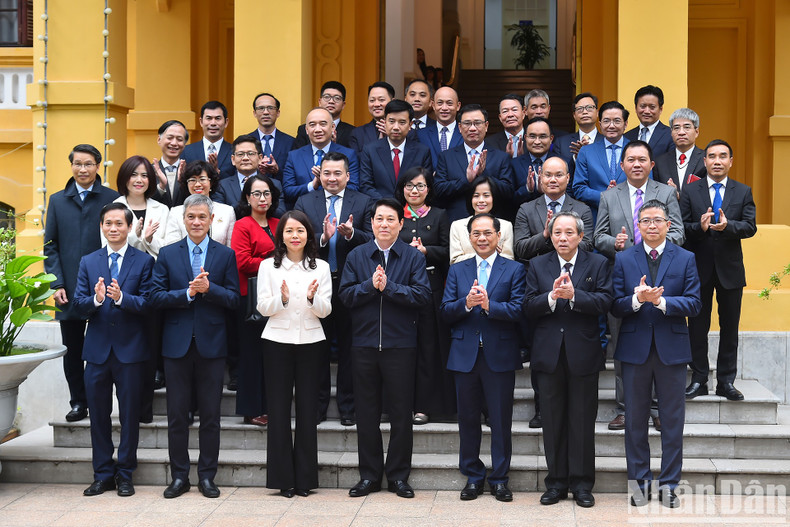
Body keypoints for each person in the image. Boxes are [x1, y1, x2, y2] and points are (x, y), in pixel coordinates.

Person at [339, 198, 432, 499]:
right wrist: (370, 286)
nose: (384, 224)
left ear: (401, 223)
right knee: (366, 414)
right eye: (379, 219)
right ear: (372, 223)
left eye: (391, 219)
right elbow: (346, 296)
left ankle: (398, 476)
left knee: (401, 414)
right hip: (364, 345)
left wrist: (388, 287)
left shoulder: (412, 257)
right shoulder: (357, 255)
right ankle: (369, 476)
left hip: (400, 345)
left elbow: (422, 296)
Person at [611, 199, 701, 508]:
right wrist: (637, 299)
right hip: (635, 350)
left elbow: (695, 303)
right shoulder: (624, 259)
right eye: (646, 220)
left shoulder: (686, 258)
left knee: (672, 421)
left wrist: (662, 303)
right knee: (635, 421)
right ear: (638, 225)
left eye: (657, 220)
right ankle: (639, 485)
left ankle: (669, 486)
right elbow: (614, 304)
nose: (651, 225)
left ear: (668, 225)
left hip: (671, 350)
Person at [150, 194, 240, 499]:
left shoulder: (225, 255)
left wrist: (209, 289)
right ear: (183, 219)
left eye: (202, 217)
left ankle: (206, 476)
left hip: (212, 347)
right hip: (175, 346)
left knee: (211, 416)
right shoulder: (167, 253)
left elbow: (234, 300)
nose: (197, 222)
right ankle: (179, 476)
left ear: (211, 219)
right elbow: (155, 297)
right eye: (191, 217)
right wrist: (187, 293)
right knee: (176, 415)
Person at [594, 140, 684, 431]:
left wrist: (654, 243)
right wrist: (616, 243)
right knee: (623, 343)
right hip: (623, 278)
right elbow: (599, 237)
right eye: (630, 159)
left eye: (642, 159)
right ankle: (626, 407)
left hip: (662, 278)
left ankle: (656, 407)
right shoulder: (609, 196)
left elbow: (679, 232)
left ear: (651, 164)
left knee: (658, 343)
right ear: (622, 165)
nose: (636, 164)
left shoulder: (667, 193)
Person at [524, 211, 612, 508]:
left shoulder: (597, 263)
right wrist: (551, 298)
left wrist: (575, 296)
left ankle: (582, 485)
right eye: (557, 232)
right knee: (552, 421)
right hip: (548, 355)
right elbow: (526, 306)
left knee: (582, 422)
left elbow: (605, 301)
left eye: (568, 232)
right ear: (550, 235)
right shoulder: (537, 264)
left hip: (583, 354)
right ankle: (556, 483)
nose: (563, 238)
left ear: (580, 236)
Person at [440, 213, 527, 503]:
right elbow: (445, 311)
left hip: (499, 355)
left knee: (501, 420)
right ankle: (473, 477)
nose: (481, 238)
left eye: (487, 232)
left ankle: (500, 479)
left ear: (498, 236)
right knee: (467, 420)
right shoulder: (458, 270)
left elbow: (519, 311)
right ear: (469, 237)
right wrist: (465, 304)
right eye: (476, 233)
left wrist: (491, 306)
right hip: (465, 355)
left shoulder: (514, 269)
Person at [74, 203, 154, 497]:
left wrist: (122, 298)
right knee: (98, 416)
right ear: (101, 227)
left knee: (130, 416)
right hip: (96, 352)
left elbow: (148, 304)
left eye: (119, 223)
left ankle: (125, 475)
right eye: (108, 223)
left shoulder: (143, 262)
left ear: (129, 227)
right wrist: (95, 300)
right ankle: (103, 474)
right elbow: (77, 304)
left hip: (131, 351)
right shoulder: (88, 261)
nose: (113, 228)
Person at [256, 210, 332, 498]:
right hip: (277, 340)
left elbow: (327, 310)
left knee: (307, 410)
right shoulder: (268, 267)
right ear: (281, 236)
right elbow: (263, 307)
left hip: (311, 341)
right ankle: (282, 479)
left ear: (308, 235)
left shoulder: (321, 268)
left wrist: (312, 299)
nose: (295, 236)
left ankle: (304, 480)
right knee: (277, 411)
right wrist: (283, 299)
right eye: (289, 231)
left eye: (300, 230)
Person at [294, 151, 374, 425]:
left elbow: (373, 239)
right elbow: (295, 238)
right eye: (326, 173)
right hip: (316, 284)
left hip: (351, 283)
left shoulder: (363, 201)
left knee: (351, 349)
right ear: (320, 175)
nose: (331, 178)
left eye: (337, 173)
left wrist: (352, 234)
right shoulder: (305, 201)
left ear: (348, 175)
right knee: (318, 347)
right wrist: (322, 238)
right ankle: (316, 408)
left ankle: (348, 408)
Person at [44, 144, 120, 423]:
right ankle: (78, 402)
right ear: (71, 165)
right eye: (77, 164)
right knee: (73, 349)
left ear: (98, 166)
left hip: (103, 287)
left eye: (88, 164)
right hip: (69, 288)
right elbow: (50, 247)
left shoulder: (111, 198)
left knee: (104, 350)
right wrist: (56, 284)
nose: (83, 169)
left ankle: (103, 402)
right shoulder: (57, 200)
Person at [680, 139, 757, 401]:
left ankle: (726, 381)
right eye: (712, 156)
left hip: (730, 270)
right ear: (704, 161)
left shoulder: (743, 191)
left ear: (730, 161)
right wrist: (699, 228)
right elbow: (682, 227)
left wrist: (729, 227)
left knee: (729, 327)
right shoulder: (691, 191)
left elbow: (750, 227)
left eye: (723, 156)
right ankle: (699, 378)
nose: (717, 161)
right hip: (697, 268)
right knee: (697, 327)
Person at [108, 155, 170, 411]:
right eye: (134, 175)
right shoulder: (114, 206)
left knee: (153, 335)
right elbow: (109, 245)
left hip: (154, 281)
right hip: (123, 283)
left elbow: (166, 248)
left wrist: (147, 239)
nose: (139, 180)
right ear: (125, 178)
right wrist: (135, 238)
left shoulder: (161, 209)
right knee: (130, 340)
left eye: (145, 175)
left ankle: (148, 397)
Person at [394, 167, 454, 425]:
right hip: (400, 290)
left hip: (431, 290)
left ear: (428, 189)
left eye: (419, 186)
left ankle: (425, 406)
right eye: (409, 185)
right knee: (403, 349)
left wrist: (426, 251)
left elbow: (449, 252)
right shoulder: (396, 215)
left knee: (429, 349)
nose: (414, 190)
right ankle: (399, 404)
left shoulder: (440, 215)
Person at [230, 174, 281, 426]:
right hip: (249, 297)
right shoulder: (242, 225)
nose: (262, 198)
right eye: (257, 194)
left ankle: (270, 405)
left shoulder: (279, 222)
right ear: (248, 198)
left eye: (267, 193)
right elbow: (242, 262)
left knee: (271, 355)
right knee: (251, 355)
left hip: (276, 296)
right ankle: (251, 409)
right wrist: (273, 261)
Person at [434, 104, 515, 222]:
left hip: (492, 224)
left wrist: (484, 175)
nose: (472, 128)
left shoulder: (501, 157)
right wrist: (466, 180)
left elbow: (509, 192)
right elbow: (438, 191)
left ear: (486, 126)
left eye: (477, 123)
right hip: (456, 223)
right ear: (460, 127)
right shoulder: (446, 157)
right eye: (467, 123)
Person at [514, 157, 594, 263]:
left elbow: (588, 247)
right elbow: (520, 249)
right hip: (537, 272)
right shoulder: (526, 209)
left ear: (568, 178)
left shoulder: (583, 210)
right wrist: (544, 235)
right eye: (548, 175)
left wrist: (564, 237)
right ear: (541, 178)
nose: (552, 180)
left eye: (558, 175)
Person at [283, 107, 360, 209]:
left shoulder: (348, 154)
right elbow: (288, 191)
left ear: (333, 127)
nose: (318, 129)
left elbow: (354, 188)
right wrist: (312, 185)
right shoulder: (294, 156)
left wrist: (329, 183)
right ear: (306, 129)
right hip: (305, 212)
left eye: (323, 124)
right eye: (312, 125)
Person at [359, 99, 433, 200]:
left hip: (411, 210)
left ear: (410, 125)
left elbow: (425, 185)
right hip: (380, 209)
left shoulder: (422, 152)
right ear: (385, 122)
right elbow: (365, 185)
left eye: (402, 122)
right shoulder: (370, 150)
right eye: (392, 121)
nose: (396, 127)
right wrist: (387, 205)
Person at [572, 101, 630, 221]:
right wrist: (605, 196)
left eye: (617, 121)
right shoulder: (586, 152)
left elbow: (646, 184)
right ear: (600, 124)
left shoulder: (637, 150)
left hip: (630, 218)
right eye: (606, 121)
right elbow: (578, 188)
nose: (611, 125)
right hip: (596, 218)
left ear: (625, 124)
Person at [213, 134, 286, 220]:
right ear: (233, 159)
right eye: (240, 154)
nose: (245, 158)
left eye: (250, 154)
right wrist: (248, 199)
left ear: (260, 158)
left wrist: (261, 203)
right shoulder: (222, 185)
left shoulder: (274, 184)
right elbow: (220, 216)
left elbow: (281, 213)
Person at [163, 161, 235, 247]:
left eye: (202, 179)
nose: (197, 184)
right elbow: (171, 247)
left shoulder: (227, 211)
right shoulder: (176, 212)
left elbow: (230, 249)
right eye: (192, 180)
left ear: (211, 183)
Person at [449, 177, 514, 264]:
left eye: (486, 195)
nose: (481, 200)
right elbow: (454, 261)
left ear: (494, 198)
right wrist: (487, 253)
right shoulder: (457, 226)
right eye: (476, 196)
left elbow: (509, 260)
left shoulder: (506, 226)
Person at [512, 116, 567, 207]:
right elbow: (509, 199)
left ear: (551, 138)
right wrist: (528, 189)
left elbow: (571, 195)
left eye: (542, 136)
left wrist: (548, 191)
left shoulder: (564, 163)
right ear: (525, 138)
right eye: (532, 136)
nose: (537, 142)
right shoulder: (514, 164)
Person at [653, 108, 706, 194]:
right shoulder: (660, 162)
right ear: (671, 132)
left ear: (696, 132)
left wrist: (679, 196)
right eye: (676, 128)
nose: (681, 132)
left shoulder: (706, 159)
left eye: (687, 127)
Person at [248, 92, 295, 182]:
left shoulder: (290, 142)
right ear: (254, 113)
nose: (266, 112)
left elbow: (295, 174)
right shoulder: (245, 141)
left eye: (270, 108)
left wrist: (277, 170)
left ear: (278, 113)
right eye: (261, 108)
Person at [293, 81, 356, 148]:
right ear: (320, 102)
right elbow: (298, 155)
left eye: (337, 98)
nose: (331, 101)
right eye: (327, 97)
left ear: (343, 105)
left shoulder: (352, 132)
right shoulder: (304, 129)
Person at [182, 101, 235, 180]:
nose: (213, 123)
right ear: (201, 122)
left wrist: (216, 173)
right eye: (209, 118)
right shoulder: (186, 151)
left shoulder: (234, 151)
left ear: (226, 122)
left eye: (218, 118)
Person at [552, 92, 602, 177]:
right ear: (574, 115)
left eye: (589, 108)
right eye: (580, 109)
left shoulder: (606, 141)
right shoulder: (561, 143)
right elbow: (557, 171)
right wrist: (576, 158)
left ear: (597, 113)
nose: (585, 112)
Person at [417, 86, 463, 167]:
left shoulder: (465, 133)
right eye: (440, 103)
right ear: (433, 105)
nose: (444, 108)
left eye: (449, 103)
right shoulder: (421, 134)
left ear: (458, 106)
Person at [624, 85, 673, 157]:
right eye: (643, 106)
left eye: (652, 107)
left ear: (660, 109)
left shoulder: (671, 135)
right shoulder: (627, 137)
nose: (647, 111)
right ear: (635, 108)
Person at [151, 120, 189, 207]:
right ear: (159, 140)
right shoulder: (148, 171)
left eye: (179, 139)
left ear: (185, 144)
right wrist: (161, 187)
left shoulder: (190, 172)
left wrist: (183, 183)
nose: (174, 143)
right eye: (169, 138)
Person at [349, 81, 395, 153]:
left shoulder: (407, 131)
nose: (376, 104)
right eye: (372, 100)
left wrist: (392, 138)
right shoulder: (358, 134)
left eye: (381, 100)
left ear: (392, 102)